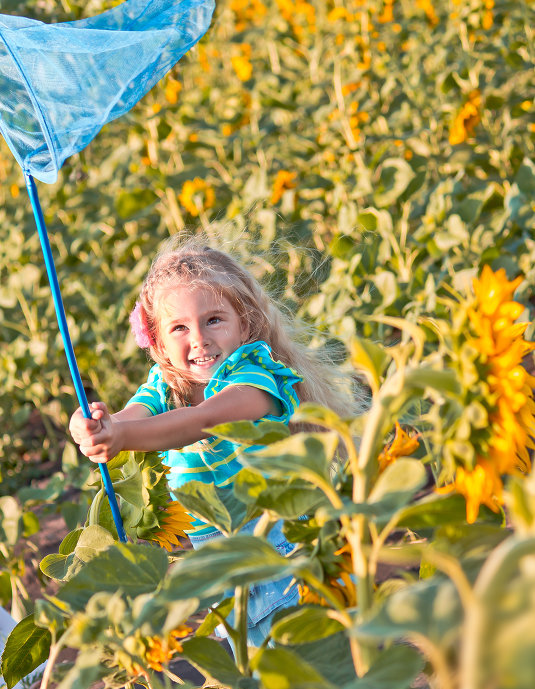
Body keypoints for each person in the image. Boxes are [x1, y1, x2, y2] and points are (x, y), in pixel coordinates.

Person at [69, 237, 356, 649]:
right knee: (268, 688)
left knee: (324, 674)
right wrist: (97, 426)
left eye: (214, 320)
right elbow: (132, 416)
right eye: (179, 328)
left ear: (245, 321)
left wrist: (122, 437)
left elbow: (203, 422)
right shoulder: (166, 384)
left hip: (286, 554)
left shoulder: (257, 377)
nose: (199, 339)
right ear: (158, 341)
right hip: (219, 564)